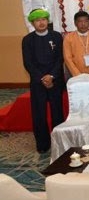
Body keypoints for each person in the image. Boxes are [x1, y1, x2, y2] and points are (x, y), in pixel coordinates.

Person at [21, 9, 64, 153]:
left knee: (57, 112)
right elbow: (28, 63)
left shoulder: (56, 36)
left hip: (55, 81)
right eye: (37, 20)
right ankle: (43, 144)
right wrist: (42, 78)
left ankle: (59, 143)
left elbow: (60, 59)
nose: (41, 22)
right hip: (37, 82)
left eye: (43, 19)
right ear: (32, 23)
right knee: (39, 114)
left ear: (47, 21)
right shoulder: (27, 40)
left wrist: (51, 76)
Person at [62, 11, 89, 78]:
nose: (83, 24)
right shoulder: (68, 38)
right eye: (80, 21)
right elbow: (67, 58)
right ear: (75, 23)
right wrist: (78, 75)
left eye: (86, 21)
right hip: (76, 76)